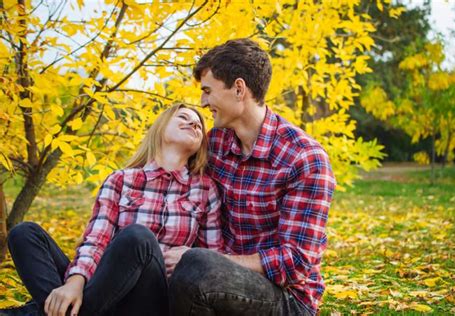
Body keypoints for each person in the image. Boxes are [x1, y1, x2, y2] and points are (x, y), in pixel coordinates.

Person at [166, 39, 336, 315]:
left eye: (208, 91)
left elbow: (295, 262)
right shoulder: (217, 143)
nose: (203, 101)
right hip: (216, 282)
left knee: (197, 268)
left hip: (287, 298)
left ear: (238, 88)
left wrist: (212, 260)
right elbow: (182, 193)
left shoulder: (304, 157)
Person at [2, 104, 223, 316]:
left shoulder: (205, 189)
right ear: (161, 127)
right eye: (183, 118)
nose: (194, 125)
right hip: (103, 290)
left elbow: (214, 260)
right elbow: (96, 239)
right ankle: (67, 309)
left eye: (199, 125)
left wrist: (190, 255)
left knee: (138, 237)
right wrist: (74, 282)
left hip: (154, 300)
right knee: (24, 233)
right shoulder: (121, 180)